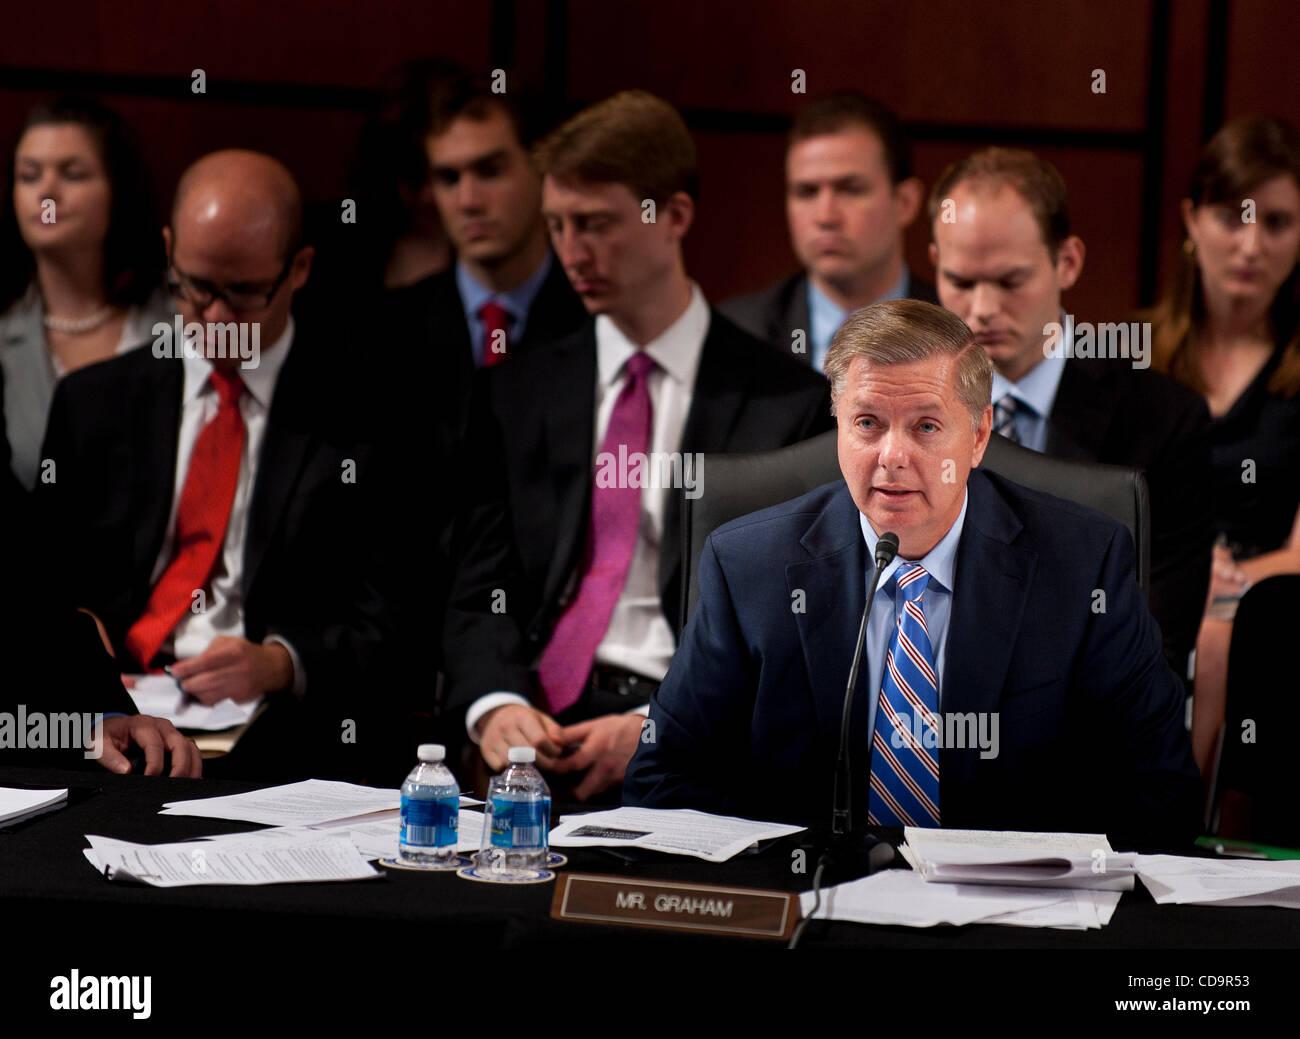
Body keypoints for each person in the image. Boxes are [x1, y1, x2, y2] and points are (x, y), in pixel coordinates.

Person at [625, 299, 1202, 844]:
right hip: (811, 908)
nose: (892, 456)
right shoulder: (749, 564)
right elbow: (662, 781)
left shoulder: (1083, 565)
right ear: (837, 425)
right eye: (868, 423)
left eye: (926, 427)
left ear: (978, 436)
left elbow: (1162, 793)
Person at [442, 91, 834, 800]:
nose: (571, 252)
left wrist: (661, 724)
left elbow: (787, 627)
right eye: (557, 225)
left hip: (686, 734)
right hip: (535, 725)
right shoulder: (517, 391)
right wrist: (493, 704)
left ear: (673, 217)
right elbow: (479, 592)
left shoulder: (790, 405)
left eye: (596, 225)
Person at [35, 150, 393, 782]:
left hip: (289, 741)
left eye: (245, 292)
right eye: (196, 287)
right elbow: (46, 583)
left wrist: (282, 661)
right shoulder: (95, 403)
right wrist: (82, 642)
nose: (217, 319)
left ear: (299, 269)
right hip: (122, 726)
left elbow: (395, 619)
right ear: (169, 253)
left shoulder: (367, 411)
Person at [928, 147, 1212, 680]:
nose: (983, 308)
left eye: (1011, 281)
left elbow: (1157, 650)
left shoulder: (1165, 423)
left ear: (1069, 262)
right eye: (961, 282)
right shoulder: (891, 415)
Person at [1142, 116, 1300, 776]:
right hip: (1143, 589)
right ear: (1190, 219)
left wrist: (1220, 586)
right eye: (1231, 217)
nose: (1251, 244)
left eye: (1277, 221)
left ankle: (1195, 838)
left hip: (1268, 606)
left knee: (1218, 634)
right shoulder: (1135, 358)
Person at [387, 71, 587, 455]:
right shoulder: (390, 331)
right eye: (448, 178)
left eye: (490, 171)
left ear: (545, 171)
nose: (468, 201)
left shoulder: (598, 322)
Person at [0, 96, 170, 492]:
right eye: (29, 176)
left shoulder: (182, 318)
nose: (47, 193)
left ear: (118, 191)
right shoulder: (5, 331)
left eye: (73, 174)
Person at [720, 91, 936, 372]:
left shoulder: (963, 332)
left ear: (905, 203)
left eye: (851, 190)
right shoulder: (736, 334)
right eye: (806, 192)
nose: (825, 217)